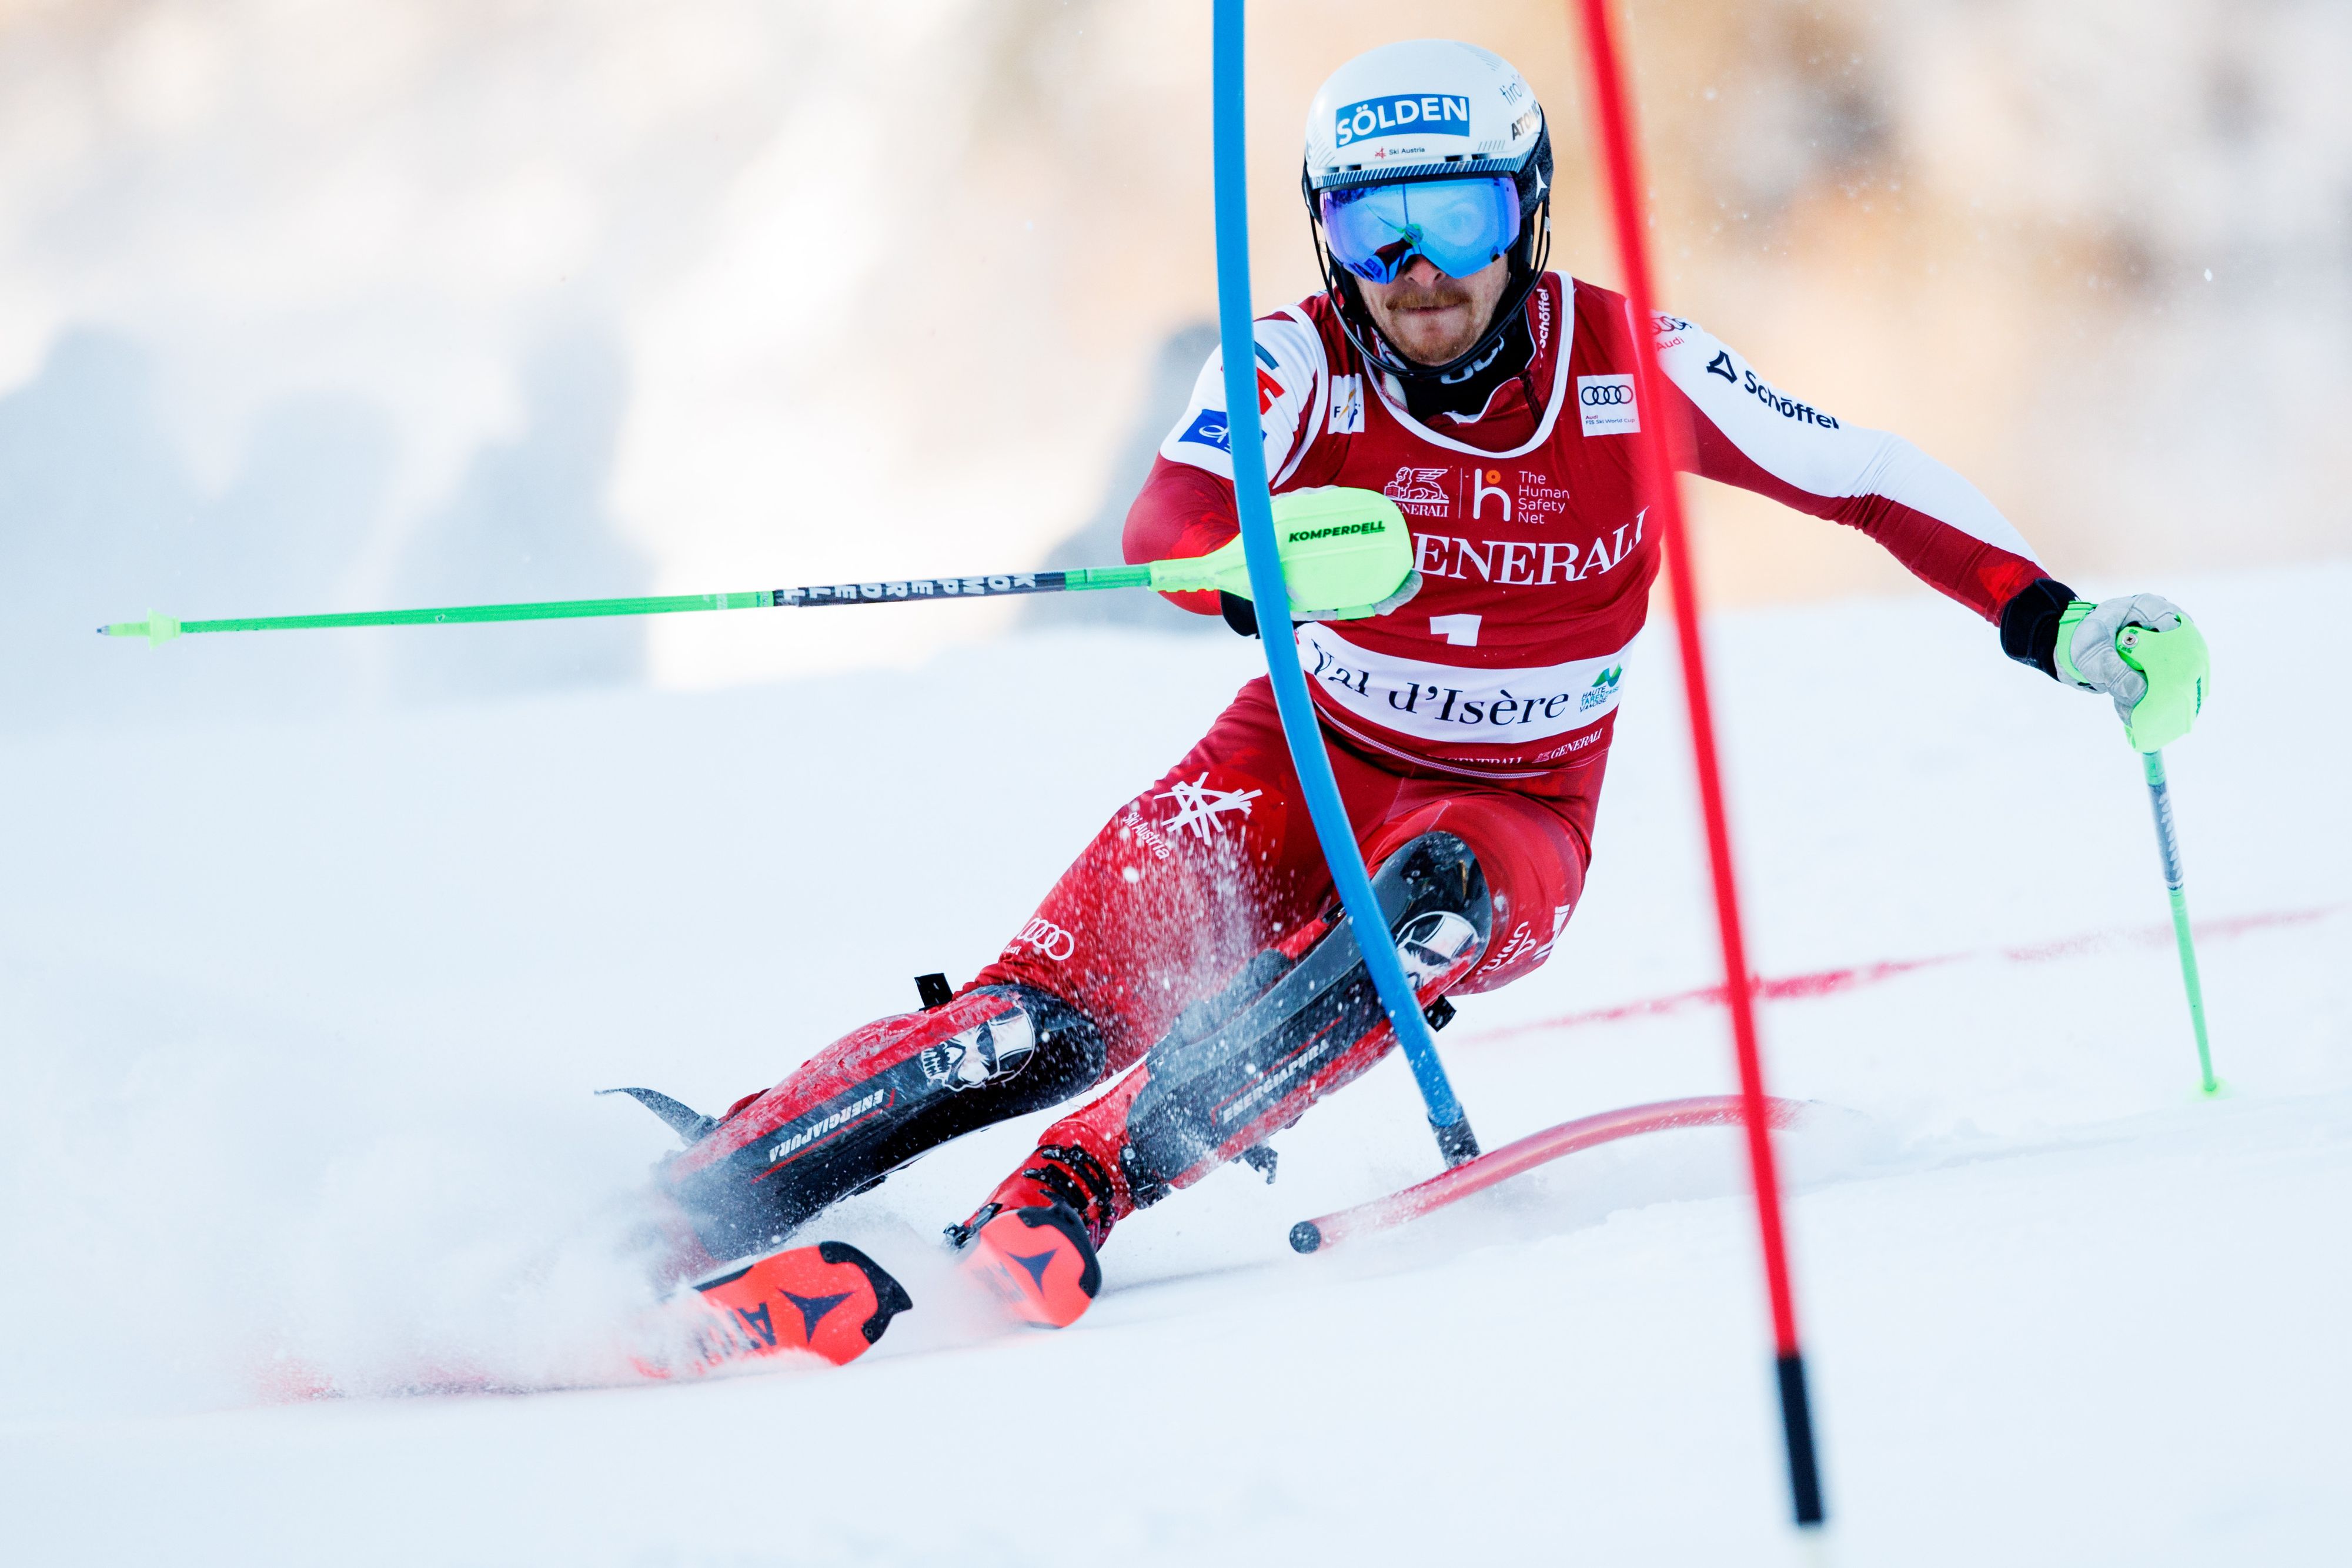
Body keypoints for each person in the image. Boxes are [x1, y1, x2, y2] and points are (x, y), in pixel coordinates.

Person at [629, 38, 2205, 1356]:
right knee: (1024, 1026)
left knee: (1425, 904)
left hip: (1510, 815)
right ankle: (681, 1209)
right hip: (1292, 764)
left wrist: (2053, 620)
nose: (1418, 274)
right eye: (1374, 229)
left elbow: (1859, 473)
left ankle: (1074, 1194)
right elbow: (1165, 529)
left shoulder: (1625, 359)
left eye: (1454, 219)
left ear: (1523, 213)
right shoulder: (1295, 359)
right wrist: (1263, 555)